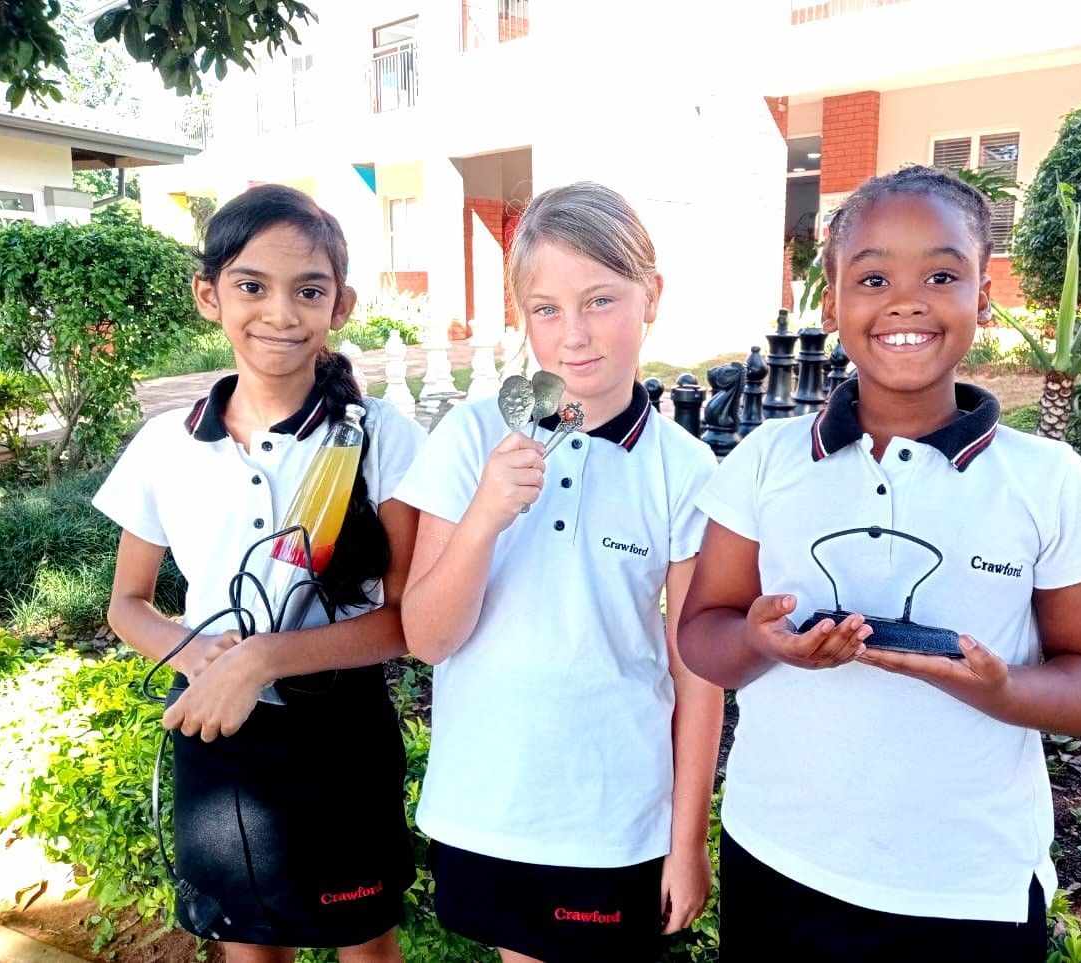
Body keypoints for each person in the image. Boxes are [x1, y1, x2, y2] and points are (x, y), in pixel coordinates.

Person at [678, 166, 1081, 962]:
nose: (906, 299)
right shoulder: (766, 459)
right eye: (872, 276)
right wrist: (764, 643)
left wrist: (1003, 688)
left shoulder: (1046, 480)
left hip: (968, 887)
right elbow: (701, 636)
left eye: (941, 273)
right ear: (831, 301)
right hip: (781, 861)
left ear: (983, 296)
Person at [94, 185, 424, 962]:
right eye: (251, 286)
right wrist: (196, 657)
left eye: (308, 290)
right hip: (220, 729)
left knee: (365, 940)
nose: (280, 313)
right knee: (248, 942)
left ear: (339, 304)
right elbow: (127, 603)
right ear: (208, 295)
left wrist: (264, 657)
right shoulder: (164, 445)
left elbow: (406, 620)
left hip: (342, 727)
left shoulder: (381, 438)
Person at [395, 182, 723, 963]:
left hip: (614, 812)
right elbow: (427, 637)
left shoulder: (685, 468)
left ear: (652, 297)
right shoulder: (471, 438)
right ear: (522, 317)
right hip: (492, 801)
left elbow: (697, 674)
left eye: (601, 300)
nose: (573, 335)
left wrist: (687, 839)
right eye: (546, 309)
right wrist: (482, 517)